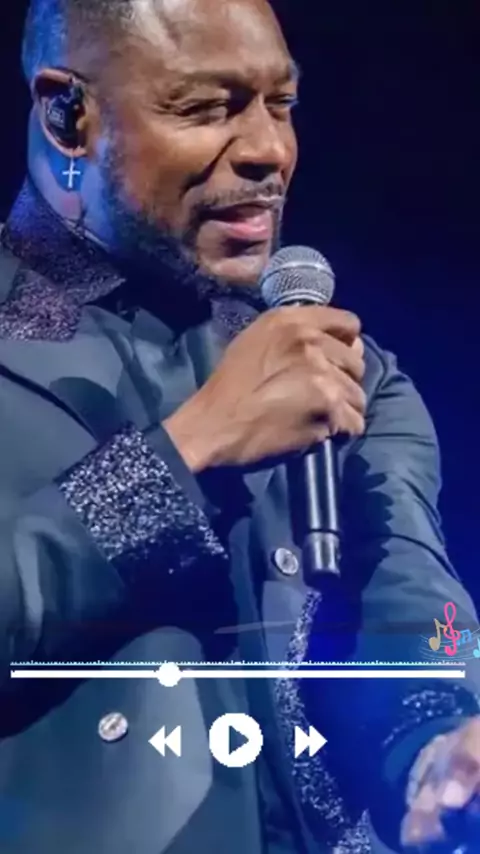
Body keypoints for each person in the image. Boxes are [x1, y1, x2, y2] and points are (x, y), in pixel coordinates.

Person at [0, 1, 479, 852]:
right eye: (206, 107)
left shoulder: (347, 370)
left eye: (280, 104)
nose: (268, 150)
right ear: (69, 116)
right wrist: (187, 451)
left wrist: (437, 745)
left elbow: (412, 598)